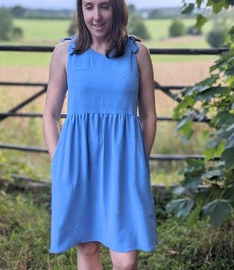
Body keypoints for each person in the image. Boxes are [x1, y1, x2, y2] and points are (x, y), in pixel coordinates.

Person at [42, 0, 157, 269]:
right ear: (81, 10)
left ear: (117, 8)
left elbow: (149, 115)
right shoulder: (64, 52)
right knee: (88, 246)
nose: (96, 15)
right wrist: (58, 161)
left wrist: (139, 160)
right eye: (89, 6)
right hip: (78, 162)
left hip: (124, 164)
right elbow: (49, 114)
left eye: (104, 6)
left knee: (125, 260)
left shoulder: (137, 52)